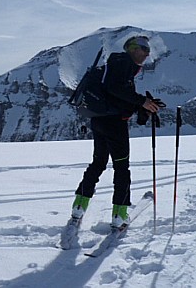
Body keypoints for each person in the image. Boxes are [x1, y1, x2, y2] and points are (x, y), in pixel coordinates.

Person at [69, 36, 163, 230]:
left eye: (148, 49)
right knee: (121, 167)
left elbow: (116, 96)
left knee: (98, 163)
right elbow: (116, 89)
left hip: (99, 120)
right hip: (115, 124)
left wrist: (142, 107)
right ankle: (119, 214)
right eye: (143, 48)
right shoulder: (123, 64)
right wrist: (141, 102)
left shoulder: (117, 65)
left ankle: (79, 205)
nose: (147, 53)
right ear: (132, 49)